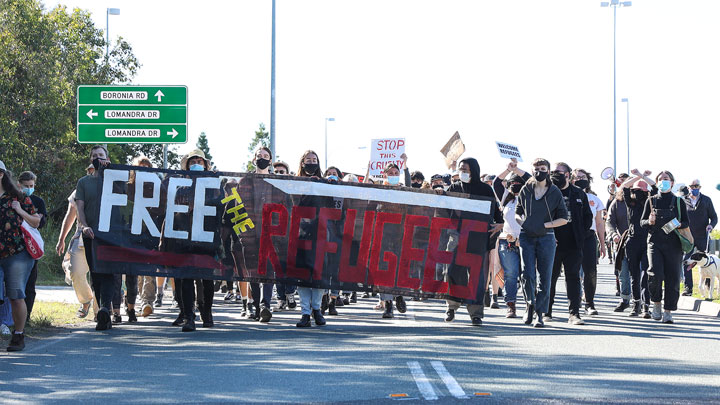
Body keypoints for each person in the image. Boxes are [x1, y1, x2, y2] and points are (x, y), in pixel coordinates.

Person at [444, 158, 503, 326]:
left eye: (466, 169)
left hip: (478, 240)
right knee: (453, 273)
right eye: (460, 169)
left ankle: (476, 314)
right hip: (456, 238)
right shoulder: (454, 187)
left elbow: (497, 216)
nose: (462, 172)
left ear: (474, 171)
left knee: (477, 277)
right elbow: (445, 210)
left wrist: (500, 225)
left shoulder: (485, 189)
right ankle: (451, 307)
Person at [165, 149, 220, 331]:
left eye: (199, 160)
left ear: (205, 164)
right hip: (184, 238)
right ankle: (189, 316)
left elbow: (220, 208)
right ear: (187, 165)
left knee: (207, 279)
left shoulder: (214, 186)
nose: (196, 163)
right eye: (192, 160)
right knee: (186, 277)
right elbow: (171, 208)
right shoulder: (180, 187)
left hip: (206, 238)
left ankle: (207, 312)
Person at [515, 158, 568, 328]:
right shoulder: (525, 190)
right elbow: (517, 213)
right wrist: (523, 223)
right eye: (536, 168)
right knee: (527, 273)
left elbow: (563, 218)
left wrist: (545, 225)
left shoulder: (554, 192)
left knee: (545, 276)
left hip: (547, 236)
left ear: (548, 170)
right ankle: (529, 304)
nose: (539, 171)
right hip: (527, 236)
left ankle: (540, 312)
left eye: (543, 168)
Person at [75, 146, 118, 331]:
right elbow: (80, 208)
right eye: (94, 156)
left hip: (112, 234)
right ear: (90, 160)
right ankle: (103, 312)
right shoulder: (83, 182)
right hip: (91, 234)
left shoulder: (116, 179)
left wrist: (111, 173)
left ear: (107, 158)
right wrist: (84, 226)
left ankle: (105, 308)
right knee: (96, 273)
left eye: (101, 155)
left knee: (109, 271)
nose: (97, 158)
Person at [0, 160, 41, 351]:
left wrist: (18, 210)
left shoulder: (17, 197)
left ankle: (18, 334)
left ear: (1, 175)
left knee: (16, 295)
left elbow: (35, 222)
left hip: (17, 253)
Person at [545, 163, 592, 325]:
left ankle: (574, 313)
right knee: (550, 277)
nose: (555, 175)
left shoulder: (578, 193)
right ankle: (546, 311)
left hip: (573, 243)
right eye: (554, 172)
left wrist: (581, 235)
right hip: (552, 242)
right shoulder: (547, 192)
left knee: (573, 277)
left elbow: (588, 217)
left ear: (568, 174)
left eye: (559, 172)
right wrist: (548, 235)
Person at [640, 171, 688, 323]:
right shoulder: (651, 200)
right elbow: (641, 222)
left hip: (674, 245)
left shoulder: (679, 202)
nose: (663, 182)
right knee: (654, 274)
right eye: (660, 179)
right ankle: (656, 305)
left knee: (673, 278)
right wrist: (650, 221)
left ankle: (668, 311)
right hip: (654, 243)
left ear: (672, 182)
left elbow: (686, 222)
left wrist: (676, 224)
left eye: (666, 179)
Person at [57, 164, 97, 319]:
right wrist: (62, 239)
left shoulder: (108, 187)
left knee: (99, 275)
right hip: (80, 237)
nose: (92, 174)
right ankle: (86, 300)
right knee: (75, 271)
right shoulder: (79, 190)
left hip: (101, 238)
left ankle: (99, 311)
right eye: (90, 171)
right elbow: (70, 216)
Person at [294, 150, 327, 327]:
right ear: (302, 162)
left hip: (320, 234)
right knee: (302, 276)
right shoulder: (294, 183)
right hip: (300, 234)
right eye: (308, 160)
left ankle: (317, 309)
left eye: (314, 160)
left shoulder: (325, 183)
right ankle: (305, 313)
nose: (311, 162)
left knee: (319, 275)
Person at [494, 159, 530, 318]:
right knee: (511, 273)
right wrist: (508, 169)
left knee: (528, 274)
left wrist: (518, 170)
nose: (515, 185)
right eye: (512, 182)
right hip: (507, 242)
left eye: (518, 182)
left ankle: (530, 305)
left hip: (527, 241)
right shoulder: (506, 197)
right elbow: (496, 182)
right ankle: (511, 305)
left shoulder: (531, 197)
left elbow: (531, 179)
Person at [619, 170, 656, 317]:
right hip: (632, 241)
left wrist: (644, 177)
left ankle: (646, 305)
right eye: (636, 190)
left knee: (645, 275)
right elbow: (624, 187)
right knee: (634, 275)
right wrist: (638, 176)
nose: (637, 192)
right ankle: (636, 305)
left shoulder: (651, 202)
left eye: (641, 190)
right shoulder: (630, 203)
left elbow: (655, 187)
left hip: (647, 241)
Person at [570, 168, 606, 315]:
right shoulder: (567, 195)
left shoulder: (594, 199)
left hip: (589, 236)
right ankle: (574, 301)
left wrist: (602, 244)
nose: (579, 179)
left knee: (590, 271)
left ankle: (589, 303)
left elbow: (599, 223)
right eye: (576, 177)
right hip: (571, 236)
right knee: (572, 271)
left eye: (582, 177)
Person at [17, 171, 47, 321]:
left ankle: (27, 316)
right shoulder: (13, 199)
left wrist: (27, 217)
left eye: (31, 186)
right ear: (19, 185)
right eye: (26, 186)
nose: (29, 188)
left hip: (31, 247)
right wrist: (31, 217)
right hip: (15, 246)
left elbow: (40, 223)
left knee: (30, 284)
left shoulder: (38, 201)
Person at [682, 179, 717, 296]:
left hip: (703, 237)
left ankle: (708, 287)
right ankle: (688, 288)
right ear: (688, 187)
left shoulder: (706, 200)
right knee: (687, 261)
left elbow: (714, 217)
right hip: (688, 237)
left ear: (700, 187)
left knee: (707, 262)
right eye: (692, 186)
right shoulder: (683, 201)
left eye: (697, 186)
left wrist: (711, 225)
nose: (694, 188)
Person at [606, 187, 631, 312]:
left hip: (640, 243)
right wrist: (614, 234)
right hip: (621, 244)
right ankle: (625, 299)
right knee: (623, 273)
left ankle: (642, 302)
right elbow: (609, 222)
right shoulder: (617, 203)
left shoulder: (644, 200)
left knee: (641, 274)